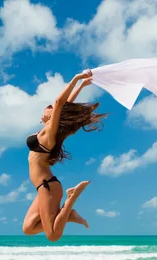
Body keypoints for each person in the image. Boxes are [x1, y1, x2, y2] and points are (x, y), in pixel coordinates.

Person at [22, 69, 107, 242]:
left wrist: (76, 78)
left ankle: (72, 198)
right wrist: (82, 86)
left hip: (47, 186)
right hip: (42, 187)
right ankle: (68, 216)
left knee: (53, 236)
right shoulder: (44, 131)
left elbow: (61, 102)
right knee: (28, 229)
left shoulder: (50, 133)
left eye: (50, 108)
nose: (47, 109)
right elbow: (65, 104)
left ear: (54, 115)